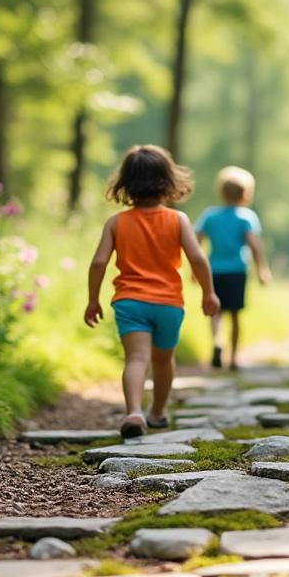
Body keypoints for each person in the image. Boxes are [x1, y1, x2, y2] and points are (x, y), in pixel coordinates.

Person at [85, 145, 220, 438]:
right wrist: (208, 293)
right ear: (168, 181)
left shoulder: (116, 223)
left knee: (136, 358)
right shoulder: (178, 220)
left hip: (130, 301)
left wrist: (93, 300)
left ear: (126, 183)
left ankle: (134, 411)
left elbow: (98, 263)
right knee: (163, 360)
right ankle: (157, 413)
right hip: (168, 303)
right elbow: (197, 258)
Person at [195, 165, 272, 370]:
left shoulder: (210, 215)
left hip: (213, 271)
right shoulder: (246, 217)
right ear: (246, 194)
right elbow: (254, 245)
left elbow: (197, 240)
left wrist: (195, 269)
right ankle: (234, 358)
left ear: (221, 191)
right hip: (237, 271)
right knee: (236, 315)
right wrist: (262, 269)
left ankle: (217, 342)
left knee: (215, 312)